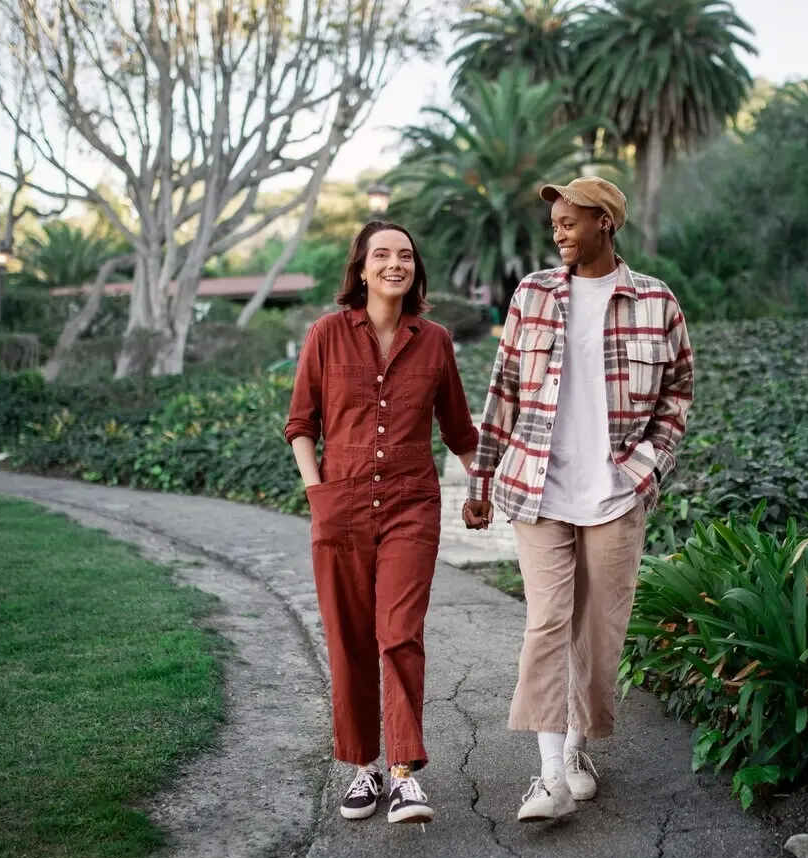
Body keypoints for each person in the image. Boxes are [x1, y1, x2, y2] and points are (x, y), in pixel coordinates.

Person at [463, 176, 694, 822]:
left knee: (597, 632)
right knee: (546, 622)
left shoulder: (655, 301)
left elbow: (679, 393)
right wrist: (482, 480)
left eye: (570, 221)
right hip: (538, 487)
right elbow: (503, 387)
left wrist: (646, 468)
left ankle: (576, 750)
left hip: (616, 494)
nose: (558, 232)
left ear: (606, 223)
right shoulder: (533, 294)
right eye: (555, 223)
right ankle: (547, 776)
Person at [285, 221, 479, 824]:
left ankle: (402, 774)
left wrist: (485, 485)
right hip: (339, 507)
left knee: (398, 632)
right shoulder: (325, 335)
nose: (395, 263)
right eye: (382, 255)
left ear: (415, 270)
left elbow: (458, 430)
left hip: (410, 507)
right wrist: (317, 492)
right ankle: (362, 769)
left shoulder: (435, 341)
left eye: (405, 255)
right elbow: (301, 425)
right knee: (348, 639)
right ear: (362, 270)